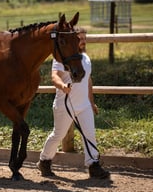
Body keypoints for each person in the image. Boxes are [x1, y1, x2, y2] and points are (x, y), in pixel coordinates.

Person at [37, 27, 110, 179]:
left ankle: (93, 165)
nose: (82, 41)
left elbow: (88, 81)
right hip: (65, 104)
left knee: (89, 134)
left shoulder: (86, 58)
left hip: (84, 105)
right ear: (73, 40)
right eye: (79, 38)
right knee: (58, 134)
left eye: (84, 38)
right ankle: (44, 161)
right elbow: (54, 77)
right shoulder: (61, 58)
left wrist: (91, 102)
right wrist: (63, 86)